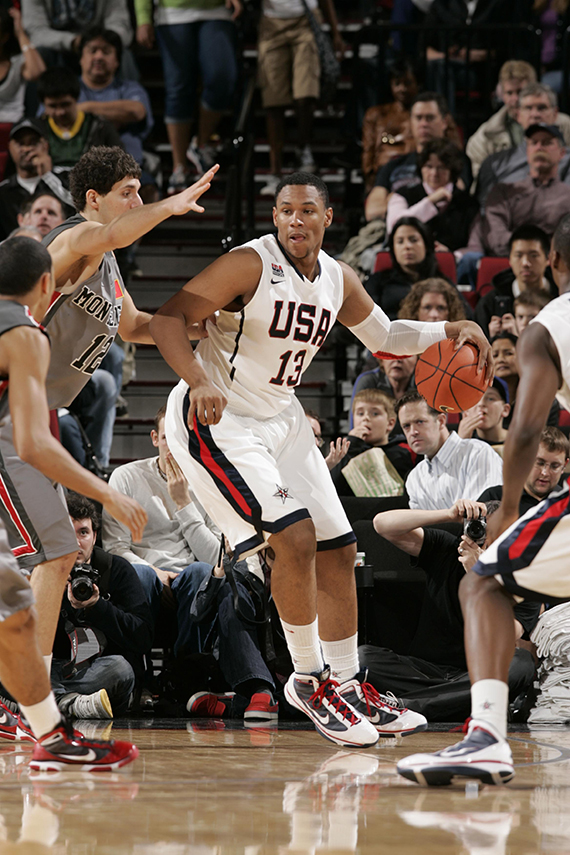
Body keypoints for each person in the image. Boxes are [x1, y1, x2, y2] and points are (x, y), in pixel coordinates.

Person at [148, 170, 492, 747]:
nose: (294, 220)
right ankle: (308, 680)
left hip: (280, 416)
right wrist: (195, 377)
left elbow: (385, 333)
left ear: (327, 217)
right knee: (296, 537)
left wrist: (447, 328)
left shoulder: (336, 277)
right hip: (219, 416)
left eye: (307, 210)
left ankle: (349, 682)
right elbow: (166, 318)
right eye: (284, 211)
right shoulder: (250, 264)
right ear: (275, 217)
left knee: (341, 547)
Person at [5, 146, 216, 702]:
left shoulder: (110, 269)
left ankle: (29, 690)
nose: (139, 201)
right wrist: (173, 204)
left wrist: (209, 330)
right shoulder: (71, 240)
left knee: (49, 559)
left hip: (37, 418)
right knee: (45, 559)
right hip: (11, 410)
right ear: (94, 199)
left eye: (143, 192)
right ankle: (27, 693)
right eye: (130, 192)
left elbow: (137, 327)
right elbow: (107, 236)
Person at [396, 211, 570, 788]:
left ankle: (488, 740)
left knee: (484, 582)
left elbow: (523, 431)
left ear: (554, 264)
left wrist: (510, 508)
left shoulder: (551, 324)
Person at [0, 235, 145, 768]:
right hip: (6, 453)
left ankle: (48, 734)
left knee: (21, 599)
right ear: (46, 284)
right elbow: (33, 442)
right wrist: (104, 491)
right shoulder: (23, 332)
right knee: (47, 562)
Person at [362, 499, 539, 722]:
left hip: (476, 673)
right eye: (486, 531)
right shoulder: (448, 548)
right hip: (425, 671)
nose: (492, 542)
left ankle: (404, 706)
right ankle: (453, 702)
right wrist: (447, 514)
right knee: (363, 658)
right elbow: (382, 524)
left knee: (520, 663)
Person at [102, 403, 221, 654]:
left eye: (183, 438)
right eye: (168, 438)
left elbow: (214, 558)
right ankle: (137, 675)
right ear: (155, 439)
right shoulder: (126, 477)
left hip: (189, 577)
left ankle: (186, 672)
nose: (176, 446)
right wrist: (155, 571)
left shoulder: (210, 482)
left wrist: (183, 503)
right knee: (139, 575)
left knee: (202, 572)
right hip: (146, 574)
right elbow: (116, 547)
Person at [52, 493, 152, 719]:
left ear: (95, 537)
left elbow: (143, 637)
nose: (76, 542)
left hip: (98, 671)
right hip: (56, 668)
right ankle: (71, 704)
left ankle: (47, 703)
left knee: (121, 669)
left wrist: (98, 607)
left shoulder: (117, 570)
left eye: (83, 532)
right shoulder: (44, 573)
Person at [135, 0, 241, 193]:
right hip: (172, 15)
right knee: (178, 89)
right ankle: (179, 167)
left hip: (216, 11)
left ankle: (200, 143)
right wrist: (143, 18)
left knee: (222, 79)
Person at [256, 0, 345, 197]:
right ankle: (275, 170)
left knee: (306, 95)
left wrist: (335, 33)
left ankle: (303, 147)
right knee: (273, 102)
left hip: (306, 20)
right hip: (271, 23)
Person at [365, 92, 472, 223]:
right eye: (418, 118)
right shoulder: (393, 165)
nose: (423, 124)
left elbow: (453, 197)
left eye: (430, 118)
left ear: (444, 122)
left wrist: (396, 199)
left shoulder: (458, 161)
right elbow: (372, 212)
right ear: (410, 122)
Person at [468, 123, 570, 258]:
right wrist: (533, 251)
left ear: (562, 153)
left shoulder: (567, 196)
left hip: (553, 269)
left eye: (547, 143)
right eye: (534, 143)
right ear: (527, 152)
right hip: (505, 267)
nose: (539, 147)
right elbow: (496, 238)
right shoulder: (502, 192)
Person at [396, 390, 504, 510]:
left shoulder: (478, 453)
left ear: (441, 421)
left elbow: (482, 518)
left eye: (420, 422)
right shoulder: (414, 478)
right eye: (406, 426)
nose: (413, 432)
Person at [476, 83, 570, 208]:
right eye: (528, 108)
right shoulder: (495, 164)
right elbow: (487, 211)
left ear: (555, 113)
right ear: (518, 115)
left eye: (541, 108)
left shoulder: (568, 160)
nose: (535, 114)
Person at [78, 27, 153, 171]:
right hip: (79, 169)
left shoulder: (130, 88)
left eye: (106, 52)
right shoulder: (68, 88)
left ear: (117, 61)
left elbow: (136, 111)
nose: (99, 57)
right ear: (81, 59)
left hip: (128, 170)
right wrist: (115, 116)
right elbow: (48, 116)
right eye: (92, 51)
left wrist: (85, 109)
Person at [386, 138, 478, 250]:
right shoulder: (402, 195)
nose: (434, 173)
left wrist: (452, 256)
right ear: (421, 168)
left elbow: (475, 247)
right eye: (429, 166)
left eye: (441, 167)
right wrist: (430, 201)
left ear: (452, 170)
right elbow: (394, 228)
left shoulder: (468, 203)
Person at [474, 225, 556, 339]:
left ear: (548, 259)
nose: (525, 263)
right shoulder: (490, 304)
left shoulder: (561, 297)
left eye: (533, 255)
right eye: (518, 255)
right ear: (510, 259)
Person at [330, 389, 416, 497]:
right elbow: (332, 487)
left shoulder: (405, 450)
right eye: (360, 413)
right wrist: (352, 445)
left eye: (375, 413)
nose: (365, 418)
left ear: (390, 423)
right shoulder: (344, 451)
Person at [37, 66, 123, 171]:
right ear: (43, 104)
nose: (60, 112)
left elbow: (121, 165)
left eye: (65, 104)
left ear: (77, 98)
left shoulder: (100, 127)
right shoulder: (36, 131)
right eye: (53, 106)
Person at [0, 118, 74, 240]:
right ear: (10, 147)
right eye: (21, 143)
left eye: (33, 143)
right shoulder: (2, 193)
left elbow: (82, 211)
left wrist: (49, 177)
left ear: (45, 146)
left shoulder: (68, 177)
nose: (27, 149)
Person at [365, 217, 448, 321]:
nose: (407, 246)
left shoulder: (442, 283)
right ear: (393, 249)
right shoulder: (377, 281)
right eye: (400, 241)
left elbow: (464, 317)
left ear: (426, 245)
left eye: (413, 240)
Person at [466, 60, 537, 180]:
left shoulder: (564, 125)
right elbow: (483, 183)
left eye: (520, 91)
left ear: (535, 90)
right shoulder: (483, 137)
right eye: (509, 93)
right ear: (502, 95)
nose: (515, 99)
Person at [478, 426, 569, 516]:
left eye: (554, 466)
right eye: (540, 463)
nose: (545, 473)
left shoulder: (566, 504)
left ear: (564, 465)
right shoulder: (495, 497)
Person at [361, 59, 420, 193]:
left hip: (417, 174)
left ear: (418, 84)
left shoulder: (427, 114)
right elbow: (368, 150)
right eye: (397, 83)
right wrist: (370, 179)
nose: (402, 89)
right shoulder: (376, 114)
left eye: (408, 83)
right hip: (384, 173)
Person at [491, 331, 560, 427]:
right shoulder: (480, 399)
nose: (500, 359)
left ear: (522, 357)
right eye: (495, 355)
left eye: (508, 353)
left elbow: (548, 437)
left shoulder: (544, 399)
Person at [0, 5, 45, 124]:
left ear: (4, 37)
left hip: (14, 127)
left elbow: (37, 73)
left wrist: (20, 33)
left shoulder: (17, 62)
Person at [457, 377, 511, 453]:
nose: (481, 404)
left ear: (505, 410)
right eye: (475, 399)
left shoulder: (519, 441)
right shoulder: (455, 439)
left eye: (490, 399)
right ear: (466, 411)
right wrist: (460, 443)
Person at [397, 277, 467, 323]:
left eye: (441, 308)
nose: (434, 315)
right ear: (415, 310)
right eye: (427, 307)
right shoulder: (401, 344)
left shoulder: (460, 345)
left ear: (451, 311)